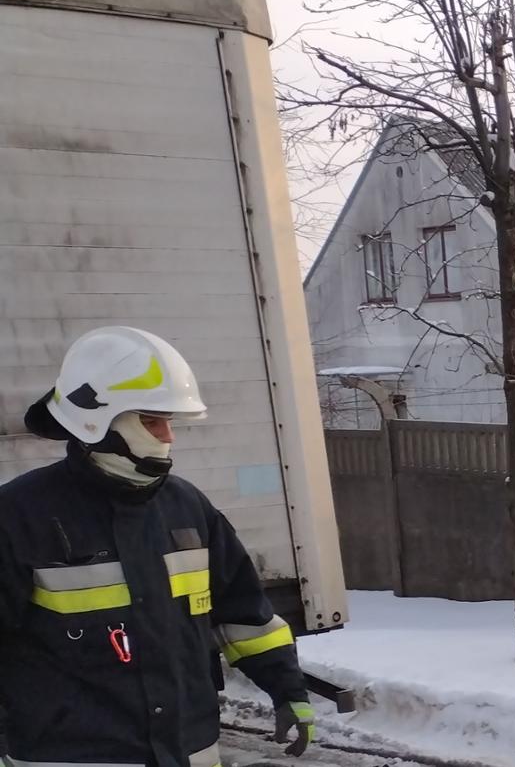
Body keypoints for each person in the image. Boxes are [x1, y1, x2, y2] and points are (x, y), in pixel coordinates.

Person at [0, 326, 316, 767]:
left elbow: (244, 613)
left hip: (189, 751)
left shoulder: (187, 508)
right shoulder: (19, 515)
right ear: (97, 420)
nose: (167, 435)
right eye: (151, 420)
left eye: (170, 421)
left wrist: (287, 690)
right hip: (70, 755)